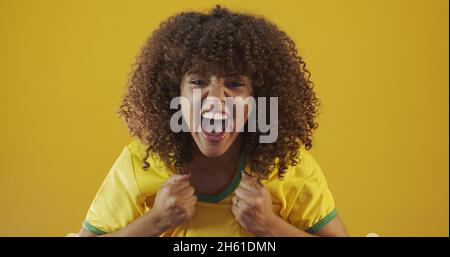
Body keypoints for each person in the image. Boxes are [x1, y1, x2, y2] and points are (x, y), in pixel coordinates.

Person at [78, 5, 348, 237]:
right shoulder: (141, 162)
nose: (216, 99)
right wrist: (154, 221)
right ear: (175, 93)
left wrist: (271, 226)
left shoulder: (288, 165)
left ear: (257, 97)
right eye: (198, 82)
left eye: (234, 83)